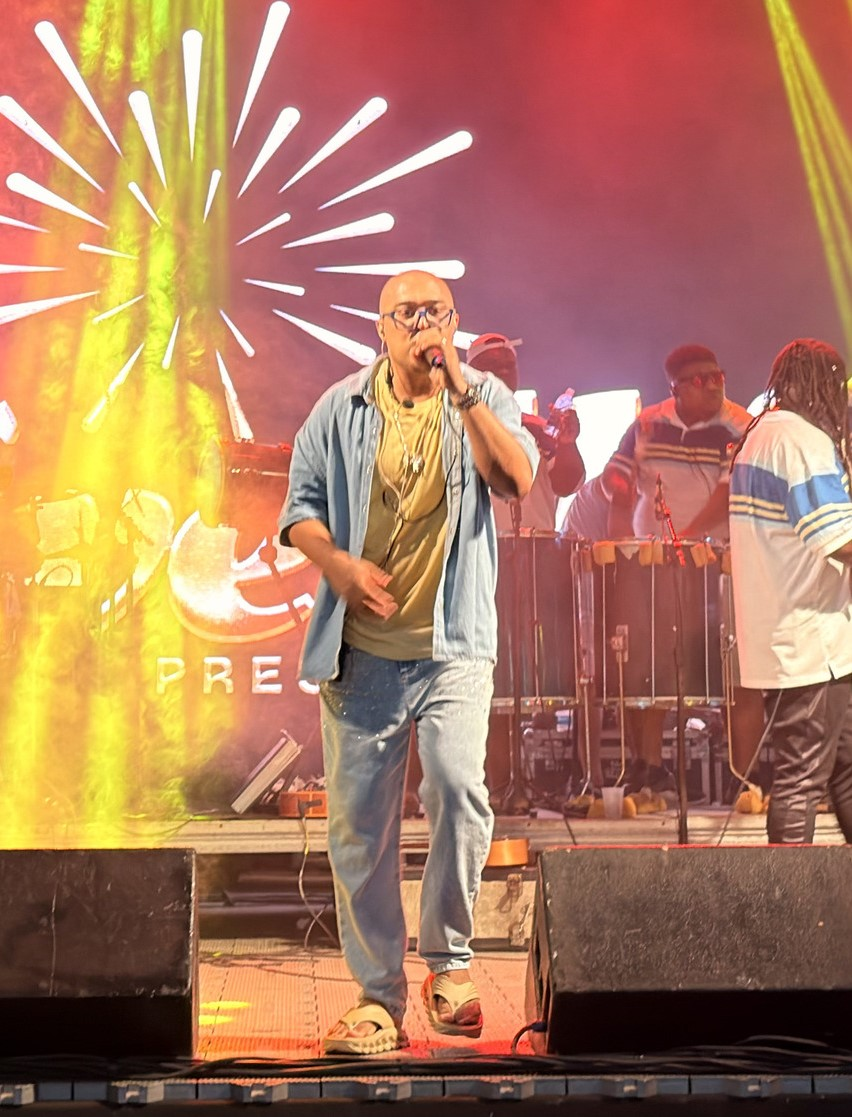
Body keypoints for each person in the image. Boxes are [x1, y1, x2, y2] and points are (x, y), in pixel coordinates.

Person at [279, 270, 538, 1054]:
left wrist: (462, 387)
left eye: (437, 312)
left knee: (459, 791)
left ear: (453, 324)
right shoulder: (341, 408)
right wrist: (339, 566)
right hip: (363, 652)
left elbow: (517, 479)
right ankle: (378, 998)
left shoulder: (483, 395)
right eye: (408, 313)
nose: (423, 324)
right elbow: (300, 512)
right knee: (361, 829)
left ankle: (449, 965)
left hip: (455, 645)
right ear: (382, 328)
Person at [601, 345, 762, 790]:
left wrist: (684, 539)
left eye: (717, 376)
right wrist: (620, 496)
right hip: (655, 564)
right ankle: (650, 768)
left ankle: (743, 777)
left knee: (736, 670)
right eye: (700, 380)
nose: (713, 386)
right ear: (676, 389)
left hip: (720, 561)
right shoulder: (647, 423)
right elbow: (616, 476)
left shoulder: (740, 425)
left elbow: (729, 495)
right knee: (649, 667)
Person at [729, 338, 852, 844]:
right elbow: (839, 538)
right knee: (801, 779)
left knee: (844, 769)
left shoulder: (761, 435)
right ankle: (786, 894)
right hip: (811, 643)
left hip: (792, 638)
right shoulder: (802, 441)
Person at [466, 333, 584, 530]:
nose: (504, 370)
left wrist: (567, 444)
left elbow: (567, 486)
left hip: (537, 547)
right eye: (492, 365)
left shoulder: (537, 430)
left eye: (509, 365)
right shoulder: (452, 428)